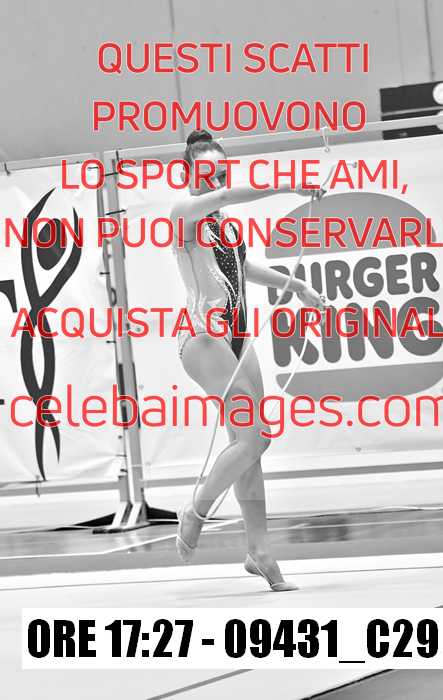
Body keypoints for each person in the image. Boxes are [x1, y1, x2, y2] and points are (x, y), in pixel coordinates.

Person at [170, 128, 326, 591]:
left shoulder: (226, 226)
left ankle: (260, 553)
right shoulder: (184, 213)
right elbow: (227, 196)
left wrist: (296, 286)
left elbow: (243, 267)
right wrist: (287, 185)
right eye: (207, 172)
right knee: (254, 437)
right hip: (204, 337)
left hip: (237, 339)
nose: (216, 179)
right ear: (188, 172)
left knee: (250, 446)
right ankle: (196, 510)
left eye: (222, 171)